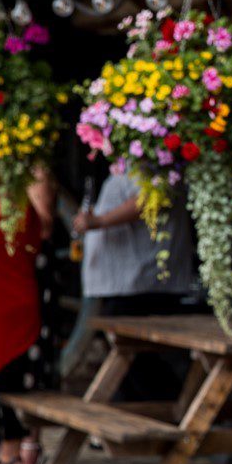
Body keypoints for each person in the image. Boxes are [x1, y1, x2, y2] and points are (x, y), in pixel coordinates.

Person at [74, 170, 199, 399]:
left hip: (141, 279)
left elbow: (151, 197)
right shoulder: (133, 161)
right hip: (124, 280)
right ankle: (157, 408)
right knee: (128, 359)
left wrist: (100, 220)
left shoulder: (158, 161)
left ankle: (170, 406)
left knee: (135, 358)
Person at [0, 169, 54, 464]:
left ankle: (7, 453)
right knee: (1, 380)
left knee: (8, 378)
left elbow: (43, 229)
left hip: (9, 298)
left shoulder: (24, 191)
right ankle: (2, 455)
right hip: (7, 296)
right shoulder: (21, 197)